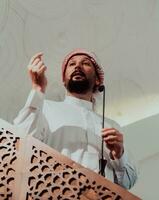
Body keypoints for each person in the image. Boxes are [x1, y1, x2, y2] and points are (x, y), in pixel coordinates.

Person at [13, 49, 137, 189]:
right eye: (71, 64)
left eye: (85, 63)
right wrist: (38, 89)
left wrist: (119, 155)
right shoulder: (45, 107)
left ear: (98, 80)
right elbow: (19, 143)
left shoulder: (111, 125)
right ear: (64, 81)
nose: (77, 66)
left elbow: (127, 184)